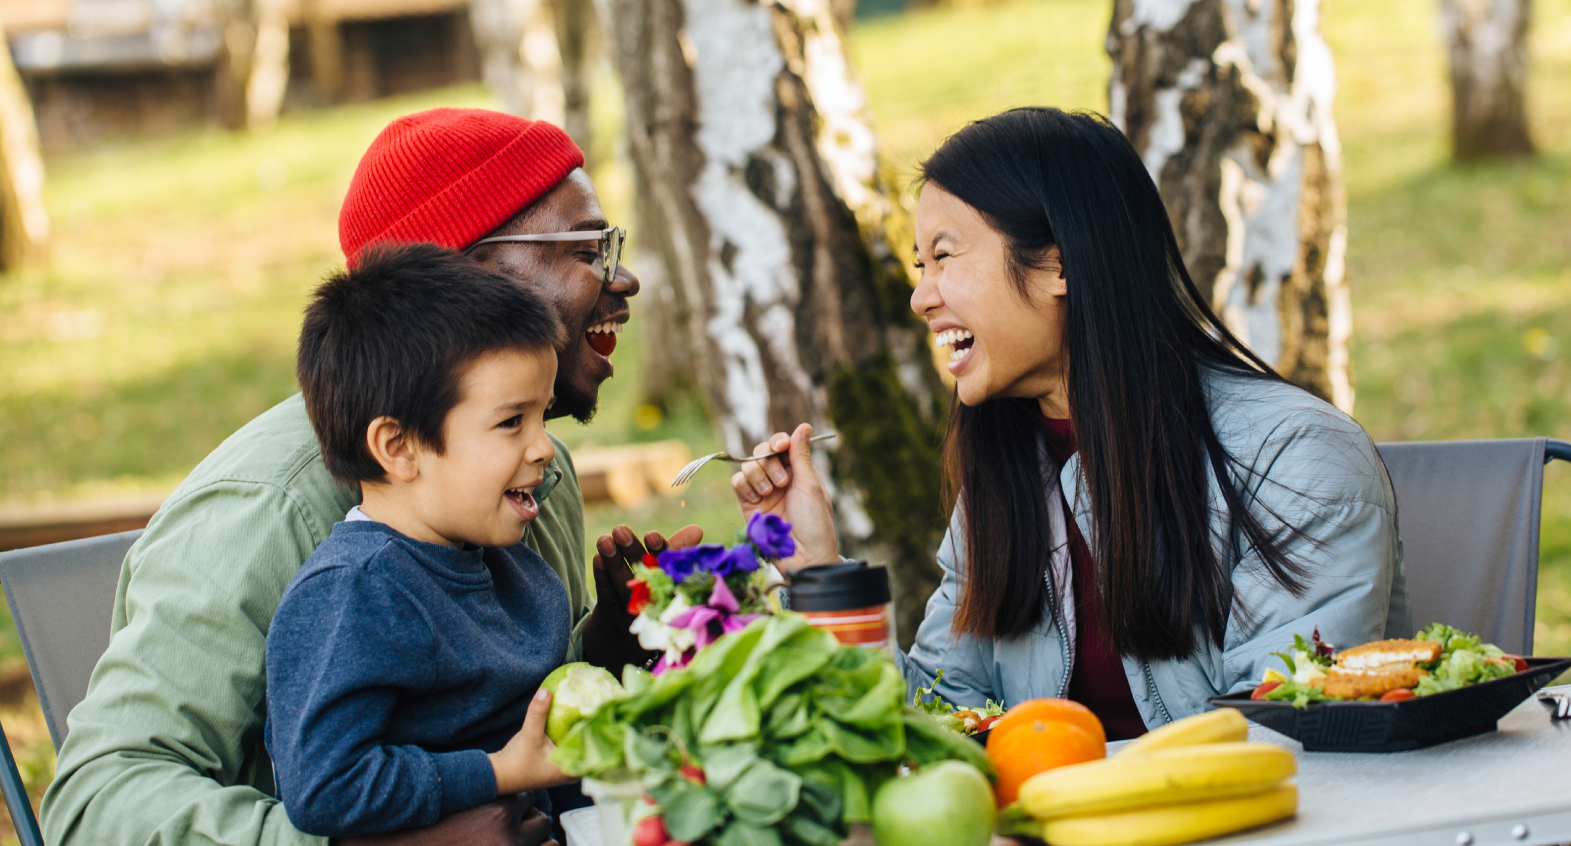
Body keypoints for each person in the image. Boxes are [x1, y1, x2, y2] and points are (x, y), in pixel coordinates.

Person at [42, 109, 691, 846]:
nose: (622, 278)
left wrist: (604, 642)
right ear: (458, 280)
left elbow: (482, 707)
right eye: (585, 248)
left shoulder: (539, 474)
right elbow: (98, 800)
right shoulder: (270, 509)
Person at [732, 108, 1410, 739]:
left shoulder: (1293, 456)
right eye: (918, 265)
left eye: (944, 256)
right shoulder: (1007, 476)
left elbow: (1282, 735)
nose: (920, 296)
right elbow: (937, 725)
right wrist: (817, 571)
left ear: (1058, 260)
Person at [266, 244, 572, 837]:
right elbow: (326, 785)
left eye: (543, 416)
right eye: (512, 422)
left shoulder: (499, 559)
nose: (543, 447)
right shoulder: (356, 592)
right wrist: (497, 773)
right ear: (400, 448)